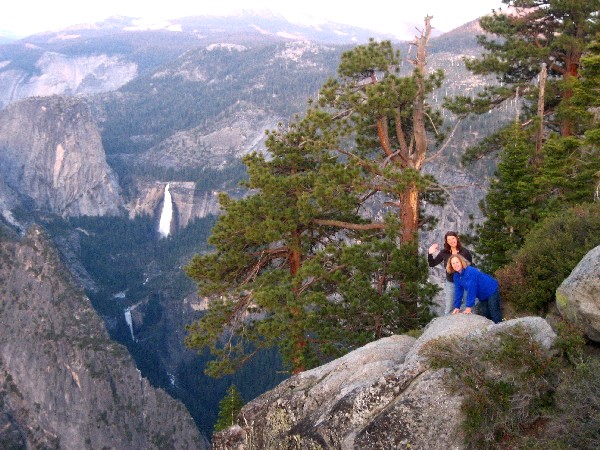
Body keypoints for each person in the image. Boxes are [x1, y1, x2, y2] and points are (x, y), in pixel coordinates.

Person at [446, 254, 503, 324]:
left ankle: (500, 329)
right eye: (453, 263)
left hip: (491, 290)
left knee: (494, 312)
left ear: (461, 262)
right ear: (451, 265)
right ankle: (490, 331)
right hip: (482, 295)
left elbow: (472, 290)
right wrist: (457, 307)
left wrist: (468, 307)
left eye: (457, 262)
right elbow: (458, 291)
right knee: (486, 314)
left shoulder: (470, 272)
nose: (455, 265)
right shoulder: (456, 276)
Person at [428, 231, 473, 314]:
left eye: (453, 238)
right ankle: (448, 325)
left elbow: (471, 266)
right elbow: (432, 264)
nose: (452, 241)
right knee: (449, 307)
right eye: (449, 240)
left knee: (467, 305)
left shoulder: (465, 252)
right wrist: (430, 253)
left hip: (465, 282)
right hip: (451, 282)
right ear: (447, 242)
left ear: (457, 238)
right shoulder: (444, 253)